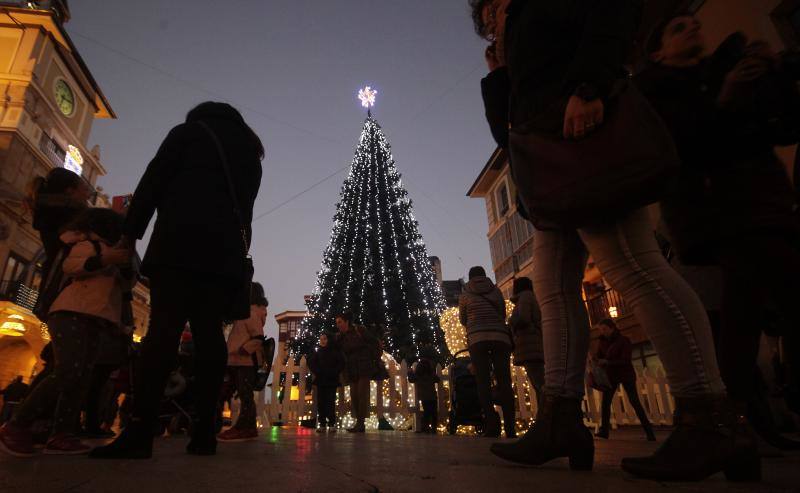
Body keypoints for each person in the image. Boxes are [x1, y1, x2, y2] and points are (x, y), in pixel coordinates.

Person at [471, 1, 742, 482]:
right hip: (548, 170)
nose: (492, 20)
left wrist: (589, 86)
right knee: (553, 288)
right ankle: (560, 418)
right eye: (486, 19)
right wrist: (501, 77)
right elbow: (508, 132)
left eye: (494, 7)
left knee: (634, 266)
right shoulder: (514, 46)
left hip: (582, 144)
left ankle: (709, 417)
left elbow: (609, 12)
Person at [637, 14, 800, 454]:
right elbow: (686, 145)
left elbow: (785, 126)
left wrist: (776, 76)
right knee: (774, 298)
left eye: (692, 23)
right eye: (677, 27)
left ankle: (728, 427)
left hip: (764, 199)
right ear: (658, 52)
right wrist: (727, 96)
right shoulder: (657, 91)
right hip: (719, 208)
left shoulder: (722, 72)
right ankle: (728, 423)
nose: (692, 28)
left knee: (742, 316)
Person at [90, 102, 264, 459]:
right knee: (210, 335)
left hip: (177, 246)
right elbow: (244, 212)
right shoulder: (251, 153)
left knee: (162, 333)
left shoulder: (188, 133)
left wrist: (130, 233)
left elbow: (152, 183)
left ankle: (140, 430)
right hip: (223, 256)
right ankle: (204, 434)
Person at [0, 208, 132, 456]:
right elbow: (72, 267)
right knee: (67, 371)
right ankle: (16, 424)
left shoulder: (113, 254)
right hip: (71, 313)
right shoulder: (88, 245)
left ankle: (62, 433)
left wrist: (124, 266)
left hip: (98, 320)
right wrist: (105, 259)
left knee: (81, 378)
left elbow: (126, 287)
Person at [459, 266, 515, 438]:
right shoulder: (496, 291)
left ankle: (491, 425)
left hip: (477, 339)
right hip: (500, 337)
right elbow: (502, 313)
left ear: (470, 278)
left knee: (482, 382)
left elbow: (463, 319)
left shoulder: (465, 294)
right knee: (504, 381)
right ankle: (510, 428)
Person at [217, 283, 268, 442]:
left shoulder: (251, 313)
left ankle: (245, 427)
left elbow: (258, 337)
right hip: (237, 360)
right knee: (240, 393)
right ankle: (247, 426)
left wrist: (243, 350)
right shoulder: (246, 313)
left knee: (245, 395)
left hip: (244, 361)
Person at [592, 319, 656, 441]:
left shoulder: (623, 340)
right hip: (611, 376)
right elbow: (599, 355)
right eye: (601, 330)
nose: (602, 332)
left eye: (604, 329)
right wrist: (596, 359)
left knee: (634, 402)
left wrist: (608, 362)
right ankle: (604, 431)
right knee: (605, 403)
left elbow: (625, 360)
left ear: (612, 328)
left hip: (625, 374)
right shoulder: (602, 341)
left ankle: (649, 433)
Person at [26, 167, 92, 284]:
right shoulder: (69, 218)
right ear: (70, 191)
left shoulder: (49, 212)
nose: (89, 195)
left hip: (55, 281)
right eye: (85, 189)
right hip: (64, 283)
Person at [336, 311, 378, 433]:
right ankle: (359, 423)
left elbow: (374, 342)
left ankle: (360, 423)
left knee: (361, 395)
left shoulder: (359, 330)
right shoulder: (340, 337)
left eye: (340, 322)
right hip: (351, 368)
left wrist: (370, 357)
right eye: (337, 323)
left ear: (346, 322)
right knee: (354, 396)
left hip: (363, 366)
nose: (338, 325)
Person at [508, 277, 544, 411]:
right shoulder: (529, 297)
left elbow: (524, 318)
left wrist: (511, 321)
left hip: (529, 344)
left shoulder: (524, 298)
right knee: (538, 381)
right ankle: (544, 413)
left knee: (538, 382)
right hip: (532, 343)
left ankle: (545, 414)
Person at [308, 333, 345, 433]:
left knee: (330, 402)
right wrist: (318, 371)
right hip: (321, 380)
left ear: (329, 340)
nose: (322, 341)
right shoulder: (318, 352)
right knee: (321, 402)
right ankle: (322, 424)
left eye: (325, 339)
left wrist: (334, 371)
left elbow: (341, 363)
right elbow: (312, 363)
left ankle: (332, 423)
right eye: (321, 339)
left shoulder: (335, 351)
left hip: (331, 380)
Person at [408, 358, 440, 433]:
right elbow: (437, 380)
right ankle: (433, 428)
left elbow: (411, 379)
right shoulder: (431, 374)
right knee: (433, 413)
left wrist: (410, 372)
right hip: (432, 396)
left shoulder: (418, 375)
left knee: (426, 412)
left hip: (424, 397)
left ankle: (425, 427)